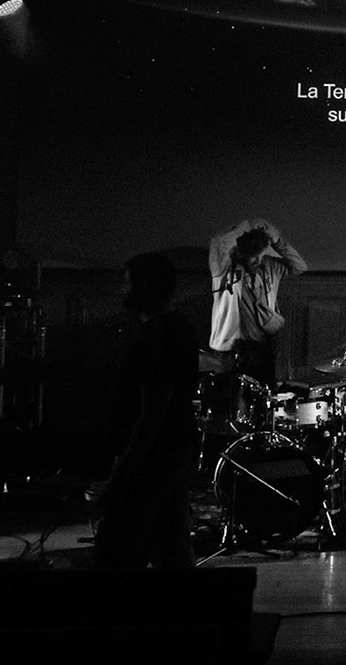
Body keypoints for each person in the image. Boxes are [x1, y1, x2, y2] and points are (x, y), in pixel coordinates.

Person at [94, 252, 199, 568]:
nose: (121, 292)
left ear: (146, 288)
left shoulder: (157, 336)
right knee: (172, 542)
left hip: (156, 455)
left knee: (119, 547)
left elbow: (153, 412)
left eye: (127, 284)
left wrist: (121, 475)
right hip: (176, 447)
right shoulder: (178, 327)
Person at [206, 218, 306, 386]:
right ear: (240, 254)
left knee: (264, 396)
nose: (258, 262)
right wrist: (244, 227)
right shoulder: (223, 269)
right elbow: (218, 243)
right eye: (253, 259)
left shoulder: (270, 268)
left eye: (261, 257)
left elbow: (299, 266)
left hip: (261, 347)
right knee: (228, 399)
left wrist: (277, 241)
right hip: (229, 351)